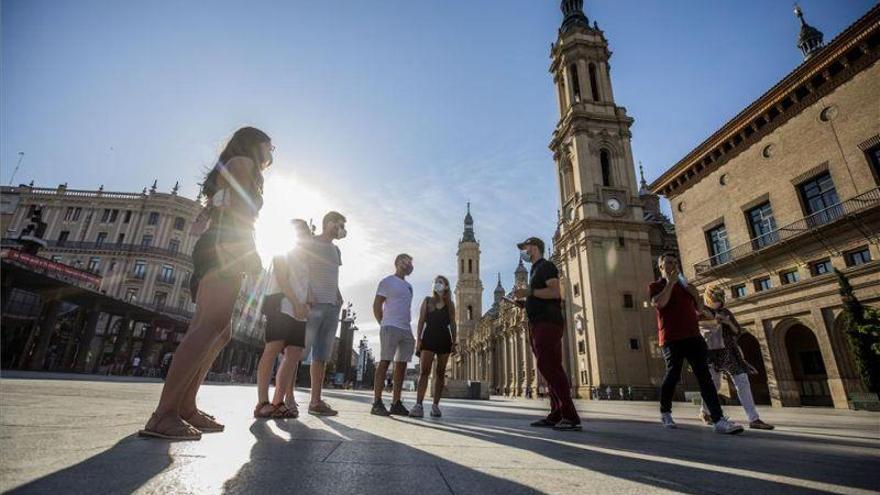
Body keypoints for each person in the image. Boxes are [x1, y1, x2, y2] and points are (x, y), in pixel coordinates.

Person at [139, 126, 272, 440]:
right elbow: (234, 207)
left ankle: (186, 407)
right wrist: (236, 248)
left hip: (219, 243)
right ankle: (164, 414)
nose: (272, 152)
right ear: (255, 144)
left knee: (219, 329)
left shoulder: (232, 165)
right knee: (208, 326)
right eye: (270, 146)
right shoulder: (243, 162)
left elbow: (208, 215)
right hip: (225, 245)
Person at [649, 253, 743, 434]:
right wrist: (670, 283)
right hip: (671, 338)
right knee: (673, 375)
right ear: (660, 267)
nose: (672, 266)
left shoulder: (687, 287)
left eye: (675, 263)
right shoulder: (656, 286)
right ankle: (665, 411)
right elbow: (659, 303)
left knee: (705, 377)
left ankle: (718, 420)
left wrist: (695, 295)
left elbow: (699, 310)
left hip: (693, 336)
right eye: (668, 263)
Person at [513, 237, 581, 431]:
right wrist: (526, 303)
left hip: (548, 322)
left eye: (524, 247)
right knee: (549, 367)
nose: (523, 252)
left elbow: (555, 293)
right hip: (539, 322)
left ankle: (570, 416)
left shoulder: (546, 266)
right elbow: (541, 295)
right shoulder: (535, 269)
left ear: (534, 247)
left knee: (548, 366)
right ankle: (556, 414)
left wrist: (529, 293)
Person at [254, 219, 312, 419]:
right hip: (280, 303)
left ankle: (278, 401)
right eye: (301, 231)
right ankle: (262, 402)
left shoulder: (306, 258)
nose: (305, 235)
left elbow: (305, 284)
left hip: (299, 310)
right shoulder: (283, 249)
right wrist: (296, 301)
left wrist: (306, 303)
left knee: (294, 354)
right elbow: (281, 276)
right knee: (272, 349)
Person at [698, 286, 774, 430]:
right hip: (711, 352)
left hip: (729, 351)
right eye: (715, 299)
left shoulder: (726, 312)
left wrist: (727, 322)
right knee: (714, 384)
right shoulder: (702, 312)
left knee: (742, 380)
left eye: (720, 299)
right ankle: (704, 412)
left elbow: (737, 330)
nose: (718, 302)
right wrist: (714, 321)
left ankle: (754, 418)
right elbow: (698, 328)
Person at [302, 211, 347, 416]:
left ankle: (315, 400)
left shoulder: (336, 250)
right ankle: (286, 398)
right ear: (328, 223)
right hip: (313, 304)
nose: (342, 228)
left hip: (331, 306)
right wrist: (308, 293)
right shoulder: (309, 243)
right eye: (339, 224)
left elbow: (333, 275)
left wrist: (338, 295)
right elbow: (302, 270)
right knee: (299, 351)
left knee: (321, 355)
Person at [371, 254, 415, 416]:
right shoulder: (387, 281)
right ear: (397, 263)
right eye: (406, 261)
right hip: (390, 326)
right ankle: (377, 402)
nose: (409, 265)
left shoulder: (409, 286)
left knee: (402, 365)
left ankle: (396, 402)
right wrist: (383, 323)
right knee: (385, 362)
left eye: (411, 262)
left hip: (406, 328)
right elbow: (377, 305)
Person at [411, 275, 457, 418]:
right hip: (429, 337)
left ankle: (435, 406)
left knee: (440, 373)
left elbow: (453, 324)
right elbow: (421, 321)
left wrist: (454, 342)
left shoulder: (450, 304)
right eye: (436, 282)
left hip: (444, 338)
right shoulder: (427, 301)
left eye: (441, 282)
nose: (438, 284)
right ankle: (418, 405)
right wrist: (418, 340)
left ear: (446, 286)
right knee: (424, 371)